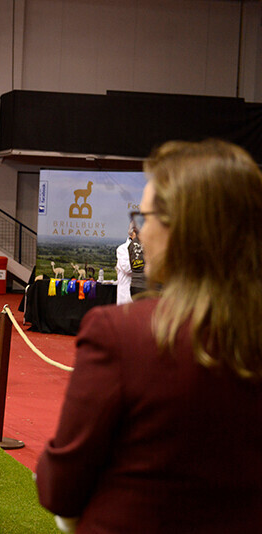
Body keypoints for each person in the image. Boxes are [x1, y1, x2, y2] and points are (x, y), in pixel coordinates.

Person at [35, 139, 262, 533]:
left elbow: (60, 487)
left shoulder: (122, 335)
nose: (143, 228)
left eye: (147, 215)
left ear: (183, 231)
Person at [114, 222, 135, 305]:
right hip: (126, 298)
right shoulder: (122, 249)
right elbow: (128, 269)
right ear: (131, 233)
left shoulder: (148, 248)